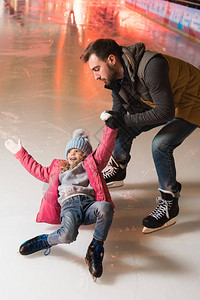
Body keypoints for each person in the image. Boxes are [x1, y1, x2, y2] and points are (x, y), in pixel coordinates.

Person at [81, 38, 200, 233]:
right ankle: (118, 168)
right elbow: (120, 110)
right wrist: (116, 120)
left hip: (192, 101)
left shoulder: (151, 66)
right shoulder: (116, 75)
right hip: (167, 100)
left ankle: (170, 203)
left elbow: (165, 113)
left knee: (160, 145)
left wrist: (124, 121)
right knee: (120, 125)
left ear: (111, 59)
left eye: (96, 69)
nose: (95, 76)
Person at [5, 118, 118, 281]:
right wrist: (20, 153)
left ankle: (95, 248)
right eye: (70, 151)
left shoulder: (91, 164)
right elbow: (37, 170)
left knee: (105, 208)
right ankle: (46, 241)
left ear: (85, 154)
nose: (72, 153)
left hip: (89, 205)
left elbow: (104, 150)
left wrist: (110, 128)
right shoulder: (58, 168)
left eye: (77, 151)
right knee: (67, 236)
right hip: (69, 207)